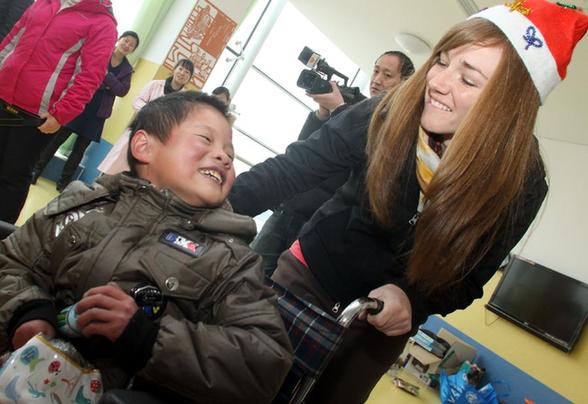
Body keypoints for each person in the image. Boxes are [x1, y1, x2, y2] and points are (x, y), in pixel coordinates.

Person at [229, 2, 588, 403]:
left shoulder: (521, 183)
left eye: (468, 80)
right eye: (442, 61)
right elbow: (292, 169)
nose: (438, 82)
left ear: (506, 109)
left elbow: (470, 278)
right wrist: (204, 201)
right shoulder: (389, 110)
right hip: (308, 276)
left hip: (377, 332)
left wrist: (411, 301)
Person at [0, 91, 293, 403]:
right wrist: (26, 312)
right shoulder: (81, 204)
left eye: (230, 155)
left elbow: (266, 360)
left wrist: (146, 338)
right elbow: (14, 262)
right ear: (144, 147)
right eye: (206, 140)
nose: (223, 157)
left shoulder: (230, 261)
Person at [251, 51, 415, 276]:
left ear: (404, 83)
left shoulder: (398, 130)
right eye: (376, 71)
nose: (377, 79)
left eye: (387, 75)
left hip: (317, 228)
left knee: (279, 292)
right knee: (245, 278)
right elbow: (305, 148)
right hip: (289, 210)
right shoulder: (355, 105)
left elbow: (368, 165)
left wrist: (339, 109)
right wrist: (322, 113)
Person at [0, 0, 117, 224]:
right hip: (3, 94)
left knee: (12, 176)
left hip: (38, 114)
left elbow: (89, 76)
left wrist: (61, 114)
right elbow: (13, 40)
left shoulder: (102, 23)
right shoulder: (44, 2)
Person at [31, 31, 140, 192]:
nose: (127, 45)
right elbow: (88, 71)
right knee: (56, 140)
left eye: (132, 45)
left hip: (98, 112)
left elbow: (122, 91)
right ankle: (36, 172)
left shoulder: (127, 69)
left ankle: (63, 183)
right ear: (118, 40)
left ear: (133, 50)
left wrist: (107, 77)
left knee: (79, 150)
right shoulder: (103, 53)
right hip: (79, 104)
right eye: (126, 41)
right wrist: (109, 85)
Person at [98, 58, 195, 175]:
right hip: (138, 130)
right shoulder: (155, 84)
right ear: (174, 70)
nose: (182, 73)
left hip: (156, 140)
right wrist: (151, 111)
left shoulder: (185, 100)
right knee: (115, 165)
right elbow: (137, 101)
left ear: (189, 78)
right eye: (180, 69)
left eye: (187, 72)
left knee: (134, 174)